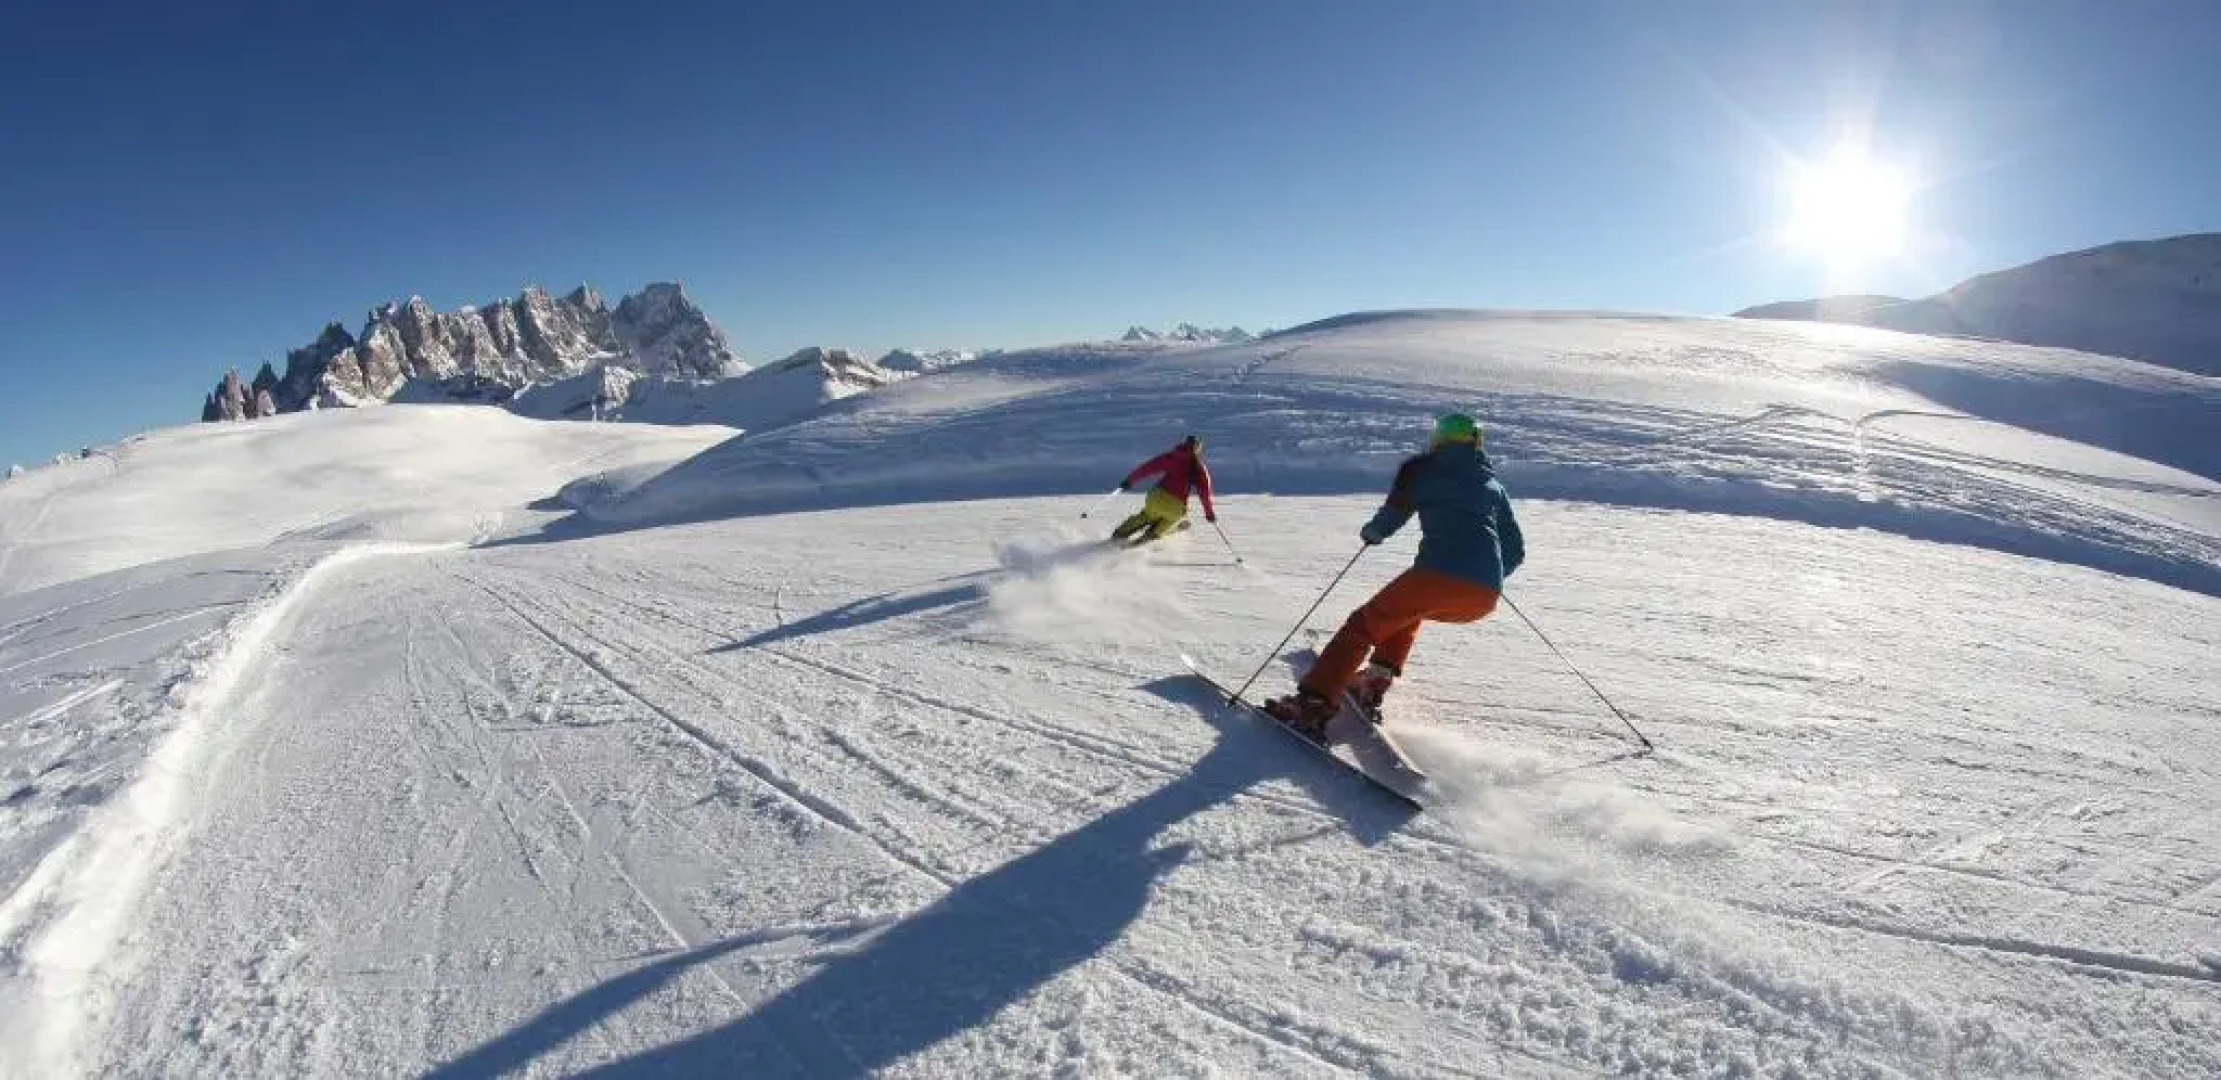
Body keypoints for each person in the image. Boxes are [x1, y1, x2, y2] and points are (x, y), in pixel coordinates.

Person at [1264, 413, 1524, 740]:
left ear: (1438, 439)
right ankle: (1375, 679)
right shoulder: (1493, 485)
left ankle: (1312, 705)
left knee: (1362, 626)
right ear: (1477, 443)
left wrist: (1373, 533)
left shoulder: (1423, 470)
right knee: (1405, 614)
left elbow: (1393, 513)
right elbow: (1514, 548)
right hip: (1484, 595)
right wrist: (1487, 574)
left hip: (1436, 575)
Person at [1112, 435, 1216, 544]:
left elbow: (1147, 468)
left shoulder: (1171, 456)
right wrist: (1209, 513)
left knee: (1147, 515)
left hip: (1155, 497)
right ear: (1198, 449)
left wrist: (1129, 481)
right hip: (1176, 506)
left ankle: (1119, 533)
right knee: (1171, 519)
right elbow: (1204, 493)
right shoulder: (1199, 468)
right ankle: (1150, 535)